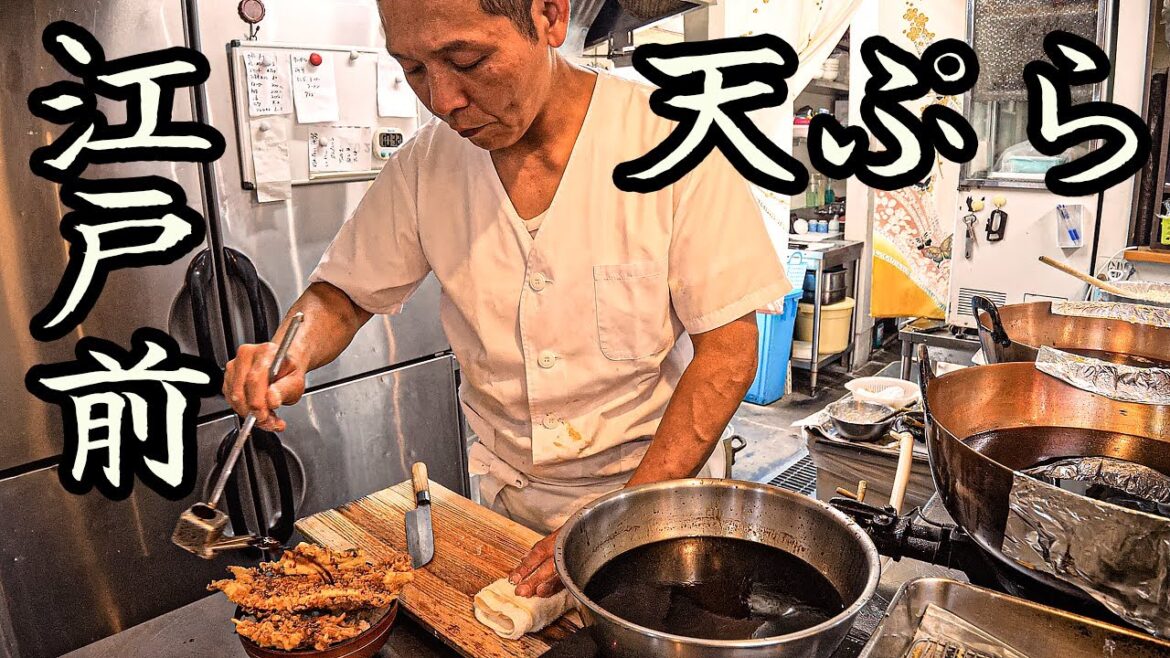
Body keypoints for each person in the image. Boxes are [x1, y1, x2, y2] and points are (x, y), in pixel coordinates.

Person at [222, 0, 790, 599]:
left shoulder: (672, 142)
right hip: (508, 507)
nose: (442, 101)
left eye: (466, 59)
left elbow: (727, 353)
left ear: (549, 17)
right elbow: (342, 294)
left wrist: (617, 520)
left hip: (656, 504)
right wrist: (290, 350)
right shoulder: (426, 166)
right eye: (412, 69)